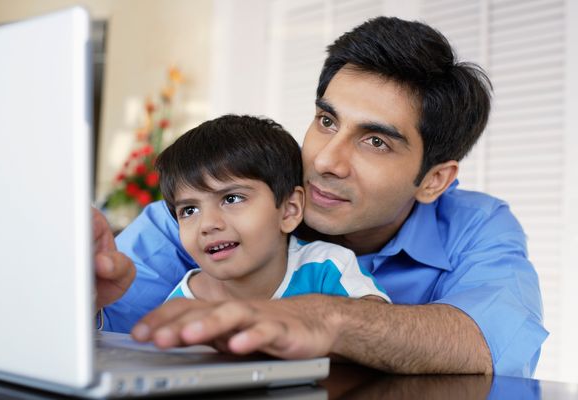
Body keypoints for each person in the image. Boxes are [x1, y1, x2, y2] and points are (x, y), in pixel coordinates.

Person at [94, 16, 547, 377]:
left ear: (435, 180)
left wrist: (327, 318)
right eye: (327, 121)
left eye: (376, 142)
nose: (327, 160)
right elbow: (107, 338)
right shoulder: (204, 215)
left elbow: (485, 344)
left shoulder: (479, 227)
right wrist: (78, 296)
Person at [155, 114, 390, 303]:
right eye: (189, 211)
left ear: (289, 209)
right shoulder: (184, 304)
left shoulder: (326, 268)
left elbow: (378, 330)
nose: (207, 224)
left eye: (232, 198)